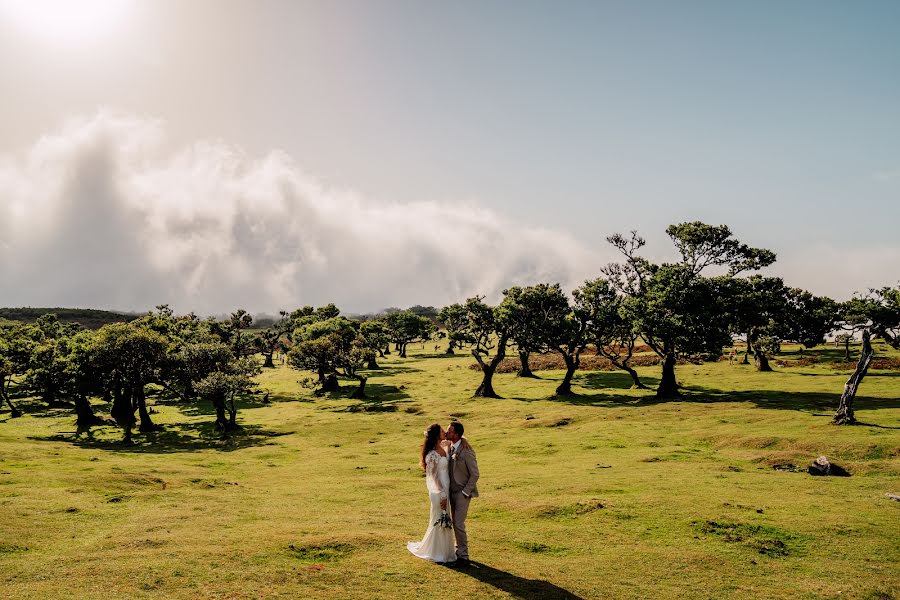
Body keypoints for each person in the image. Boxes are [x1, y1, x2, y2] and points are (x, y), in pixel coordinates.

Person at [407, 423, 456, 564]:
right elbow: (433, 476)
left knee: (446, 517)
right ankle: (436, 552)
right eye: (442, 431)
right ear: (436, 435)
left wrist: (462, 441)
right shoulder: (432, 454)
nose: (444, 433)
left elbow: (459, 439)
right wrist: (441, 493)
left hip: (446, 488)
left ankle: (446, 552)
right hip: (438, 490)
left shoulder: (444, 447)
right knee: (439, 518)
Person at [446, 420, 479, 567]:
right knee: (454, 523)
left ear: (457, 434)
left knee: (458, 523)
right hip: (450, 492)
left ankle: (464, 557)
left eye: (450, 431)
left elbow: (475, 474)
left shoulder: (467, 451)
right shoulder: (449, 447)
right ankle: (457, 552)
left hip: (462, 493)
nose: (447, 433)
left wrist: (466, 492)